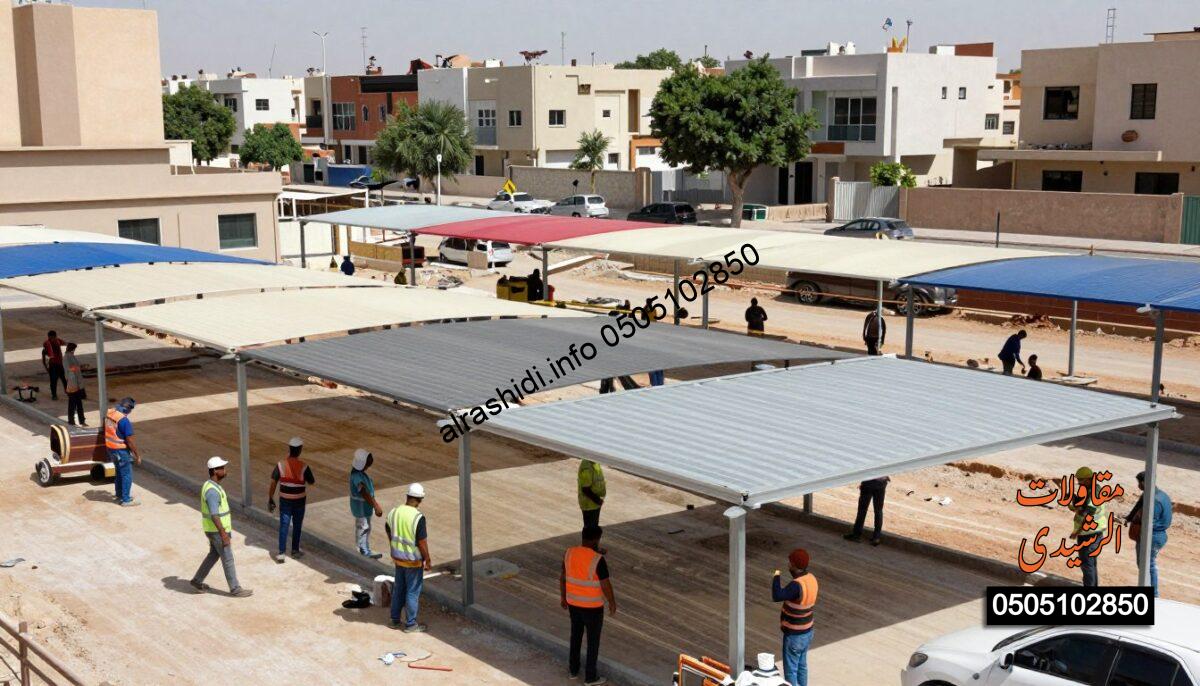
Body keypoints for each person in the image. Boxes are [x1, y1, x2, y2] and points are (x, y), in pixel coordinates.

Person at [190, 456, 253, 597]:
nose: (225, 470)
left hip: (212, 530)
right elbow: (214, 515)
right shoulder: (212, 491)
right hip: (217, 531)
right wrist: (223, 534)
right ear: (215, 471)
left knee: (213, 555)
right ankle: (235, 588)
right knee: (228, 558)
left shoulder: (210, 486)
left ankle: (197, 580)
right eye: (222, 468)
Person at [561, 526, 616, 685]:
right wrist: (612, 602)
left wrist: (563, 597)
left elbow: (563, 577)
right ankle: (590, 677)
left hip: (573, 603)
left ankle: (573, 670)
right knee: (592, 642)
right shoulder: (598, 559)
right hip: (592, 607)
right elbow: (605, 584)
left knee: (576, 636)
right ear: (596, 539)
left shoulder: (569, 553)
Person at [386, 483, 431, 632]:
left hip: (398, 559)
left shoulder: (394, 512)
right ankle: (411, 624)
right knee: (412, 592)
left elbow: (388, 529)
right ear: (420, 499)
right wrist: (427, 559)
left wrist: (393, 546)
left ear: (407, 496)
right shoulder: (418, 517)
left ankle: (394, 620)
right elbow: (422, 542)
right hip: (413, 561)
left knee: (399, 589)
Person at [772, 548, 818, 686]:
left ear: (793, 565)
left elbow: (777, 595)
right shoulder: (811, 579)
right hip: (808, 631)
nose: (788, 565)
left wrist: (776, 575)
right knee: (802, 666)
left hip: (795, 636)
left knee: (791, 671)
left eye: (789, 563)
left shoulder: (796, 585)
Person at [267, 437, 315, 563]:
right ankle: (295, 551)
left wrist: (270, 498)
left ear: (289, 449)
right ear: (300, 450)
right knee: (297, 525)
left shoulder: (280, 465)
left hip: (285, 501)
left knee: (284, 525)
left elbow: (273, 482)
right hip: (300, 501)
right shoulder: (304, 466)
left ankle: (281, 553)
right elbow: (311, 481)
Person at [1126, 471, 1172, 596]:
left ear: (1144, 482)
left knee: (1148, 565)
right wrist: (1128, 518)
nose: (1138, 485)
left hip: (1152, 536)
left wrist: (1135, 521)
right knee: (1144, 564)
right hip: (1156, 535)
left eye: (1139, 483)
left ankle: (1154, 594)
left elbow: (1147, 521)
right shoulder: (1157, 494)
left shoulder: (1154, 501)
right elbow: (1138, 507)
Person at [1069, 466, 1108, 587]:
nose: (1079, 483)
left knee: (1087, 563)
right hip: (1089, 532)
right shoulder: (1089, 489)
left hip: (1091, 533)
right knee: (1090, 562)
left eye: (1081, 480)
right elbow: (1081, 506)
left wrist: (1076, 532)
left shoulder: (1094, 492)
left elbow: (1088, 514)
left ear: (1088, 478)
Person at [105, 397, 141, 506]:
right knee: (126, 474)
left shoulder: (110, 413)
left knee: (119, 472)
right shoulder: (124, 421)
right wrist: (137, 455)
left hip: (110, 449)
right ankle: (126, 499)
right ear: (128, 409)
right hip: (121, 451)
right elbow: (130, 441)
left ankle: (119, 494)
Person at [349, 448, 384, 559]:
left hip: (364, 507)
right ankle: (363, 551)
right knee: (363, 527)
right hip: (361, 508)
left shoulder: (360, 474)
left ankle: (364, 548)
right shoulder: (357, 477)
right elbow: (363, 491)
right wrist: (375, 505)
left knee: (364, 527)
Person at [843, 477, 890, 546]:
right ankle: (876, 537)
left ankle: (856, 534)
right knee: (878, 510)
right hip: (882, 483)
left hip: (869, 482)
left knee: (862, 510)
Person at [578, 459, 606, 529]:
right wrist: (597, 500)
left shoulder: (594, 463)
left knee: (593, 527)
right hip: (589, 505)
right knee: (590, 528)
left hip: (595, 504)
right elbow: (585, 489)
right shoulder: (587, 467)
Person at [63, 342, 86, 426]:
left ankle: (81, 420)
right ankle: (71, 420)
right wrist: (78, 368)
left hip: (77, 383)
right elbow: (69, 369)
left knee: (79, 403)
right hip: (72, 383)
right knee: (72, 404)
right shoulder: (66, 357)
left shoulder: (71, 356)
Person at [41, 330, 67, 401]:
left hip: (59, 364)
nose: (53, 339)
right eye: (52, 337)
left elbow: (64, 343)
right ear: (49, 337)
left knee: (63, 378)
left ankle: (67, 391)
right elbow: (44, 357)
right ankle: (54, 395)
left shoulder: (57, 341)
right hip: (53, 365)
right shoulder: (47, 343)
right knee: (54, 381)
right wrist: (46, 367)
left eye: (54, 337)